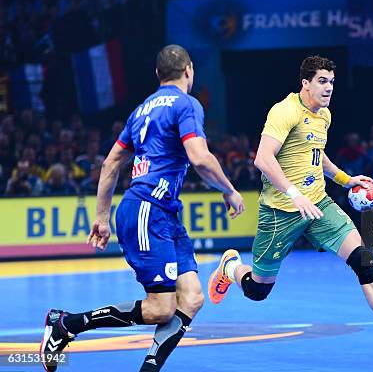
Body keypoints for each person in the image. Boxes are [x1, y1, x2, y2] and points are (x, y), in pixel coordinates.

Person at [207, 55, 373, 367]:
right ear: (305, 83)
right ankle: (231, 267)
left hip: (319, 204)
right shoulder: (284, 111)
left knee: (365, 262)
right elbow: (263, 158)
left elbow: (318, 154)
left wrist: (345, 180)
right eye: (322, 81)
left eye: (331, 82)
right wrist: (293, 194)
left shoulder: (324, 115)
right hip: (280, 212)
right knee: (257, 290)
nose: (328, 88)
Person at [40, 45, 245, 372]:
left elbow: (110, 165)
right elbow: (200, 158)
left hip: (162, 213)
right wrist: (230, 190)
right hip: (148, 209)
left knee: (191, 297)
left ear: (157, 75)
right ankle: (67, 324)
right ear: (189, 70)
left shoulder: (141, 111)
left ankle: (149, 368)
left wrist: (102, 218)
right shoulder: (186, 104)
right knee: (160, 308)